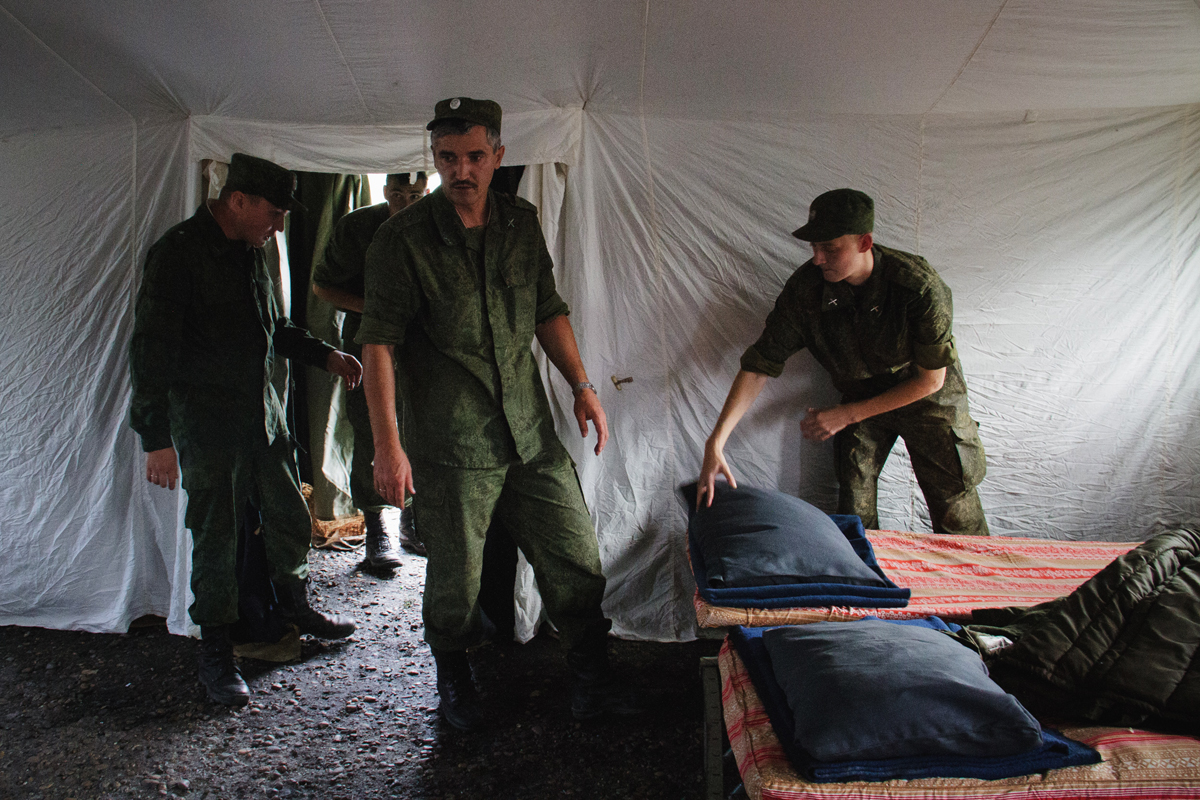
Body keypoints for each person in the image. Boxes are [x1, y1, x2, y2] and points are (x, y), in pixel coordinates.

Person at [358, 97, 632, 731]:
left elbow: (547, 309)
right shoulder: (401, 240)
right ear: (434, 159)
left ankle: (592, 681)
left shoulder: (519, 221)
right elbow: (378, 345)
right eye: (449, 158)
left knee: (574, 558)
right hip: (453, 444)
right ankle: (454, 678)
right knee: (455, 579)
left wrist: (582, 384)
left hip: (529, 433)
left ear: (498, 157)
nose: (463, 170)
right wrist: (387, 446)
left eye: (476, 156)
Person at [129, 153, 361, 708]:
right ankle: (215, 651)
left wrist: (324, 354)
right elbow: (150, 351)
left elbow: (273, 327)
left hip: (264, 417)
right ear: (238, 201)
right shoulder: (178, 254)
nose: (279, 226)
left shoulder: (253, 251)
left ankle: (295, 609)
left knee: (285, 514)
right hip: (209, 429)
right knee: (217, 538)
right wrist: (155, 438)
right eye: (275, 214)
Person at [698, 188, 989, 536]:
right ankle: (869, 586)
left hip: (926, 400)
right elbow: (761, 364)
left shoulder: (918, 288)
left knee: (956, 511)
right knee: (854, 516)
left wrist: (846, 415)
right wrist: (716, 439)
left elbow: (931, 381)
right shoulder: (806, 290)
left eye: (831, 249)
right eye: (814, 248)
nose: (818, 259)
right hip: (860, 395)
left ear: (865, 242)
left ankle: (982, 588)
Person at [313, 172, 429, 566]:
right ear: (384, 192)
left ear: (427, 191)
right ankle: (378, 529)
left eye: (415, 195)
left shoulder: (442, 221)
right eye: (398, 194)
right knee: (371, 430)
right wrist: (376, 312)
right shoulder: (359, 226)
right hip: (368, 341)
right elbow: (322, 286)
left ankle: (414, 522)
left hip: (426, 345)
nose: (406, 203)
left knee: (424, 425)